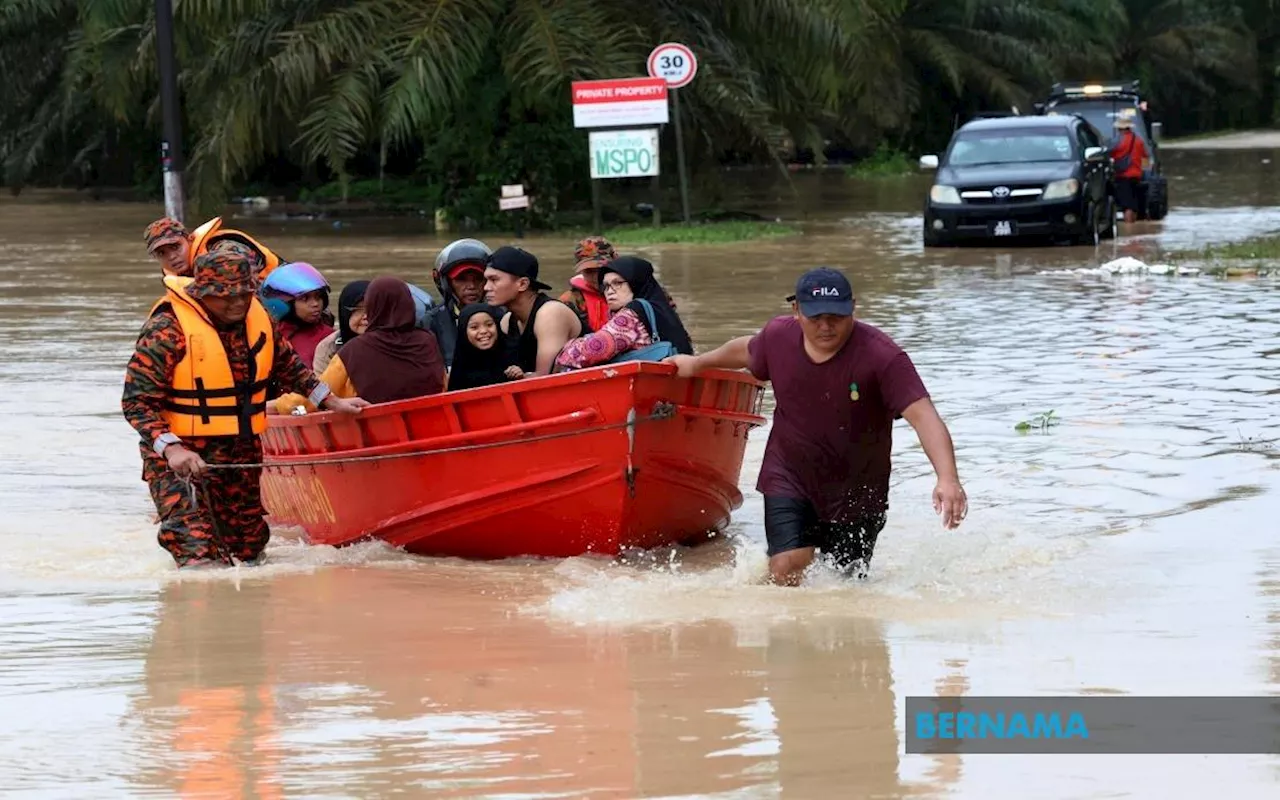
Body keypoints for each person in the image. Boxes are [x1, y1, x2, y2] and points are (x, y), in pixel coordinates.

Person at [666, 267, 967, 586]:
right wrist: (697, 363)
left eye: (835, 316)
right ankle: (786, 631)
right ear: (796, 311)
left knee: (844, 584)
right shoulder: (778, 337)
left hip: (858, 489)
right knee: (786, 565)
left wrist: (947, 478)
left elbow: (924, 416)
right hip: (789, 473)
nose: (826, 326)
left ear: (853, 307)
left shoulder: (882, 356)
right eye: (815, 317)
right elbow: (746, 349)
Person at [122, 247, 367, 569]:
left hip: (241, 453)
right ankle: (193, 613)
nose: (237, 303)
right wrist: (171, 449)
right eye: (226, 297)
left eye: (243, 294)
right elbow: (136, 402)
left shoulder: (258, 316)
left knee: (249, 551)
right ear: (203, 292)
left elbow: (289, 367)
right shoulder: (168, 329)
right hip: (180, 458)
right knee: (197, 552)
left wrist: (331, 400)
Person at [273, 276, 446, 412]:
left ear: (373, 308)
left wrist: (271, 407)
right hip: (429, 422)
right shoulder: (428, 340)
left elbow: (312, 396)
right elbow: (442, 384)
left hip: (373, 431)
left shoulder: (353, 350)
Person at [554, 256, 693, 371]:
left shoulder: (632, 314)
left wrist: (568, 347)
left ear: (635, 283)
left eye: (618, 283)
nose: (610, 291)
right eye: (606, 286)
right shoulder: (663, 309)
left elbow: (588, 352)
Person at [484, 246, 584, 376]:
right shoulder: (507, 322)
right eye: (486, 280)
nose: (486, 287)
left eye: (494, 280)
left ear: (522, 284)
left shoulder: (550, 314)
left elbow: (543, 380)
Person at [423, 238, 492, 368]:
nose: (471, 286)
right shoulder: (432, 322)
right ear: (446, 283)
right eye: (461, 279)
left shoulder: (504, 317)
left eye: (478, 279)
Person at [260, 262, 335, 367]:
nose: (315, 304)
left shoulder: (332, 338)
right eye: (305, 299)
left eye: (318, 297)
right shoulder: (269, 338)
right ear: (284, 304)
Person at [448, 304, 522, 391]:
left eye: (489, 325)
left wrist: (520, 375)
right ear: (464, 332)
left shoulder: (514, 353)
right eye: (474, 327)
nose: (483, 331)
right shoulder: (461, 365)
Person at [188, 216, 284, 280]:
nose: (172, 257)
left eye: (176, 247)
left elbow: (247, 289)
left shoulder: (228, 250)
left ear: (189, 240)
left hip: (283, 287)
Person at [560, 236, 616, 332]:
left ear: (616, 260)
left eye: (602, 269)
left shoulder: (630, 292)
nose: (596, 277)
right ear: (581, 271)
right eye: (589, 271)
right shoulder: (569, 301)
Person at [312, 280, 370, 373]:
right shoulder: (328, 349)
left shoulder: (395, 343)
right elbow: (322, 386)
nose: (366, 316)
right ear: (345, 313)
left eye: (372, 309)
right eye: (358, 309)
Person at [1109, 116, 1149, 224]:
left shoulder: (1117, 141)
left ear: (1120, 129)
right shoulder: (1139, 140)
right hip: (1137, 176)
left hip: (1123, 176)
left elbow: (1108, 154)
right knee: (1134, 205)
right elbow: (1145, 157)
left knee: (1127, 206)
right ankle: (1134, 230)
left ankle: (1129, 230)